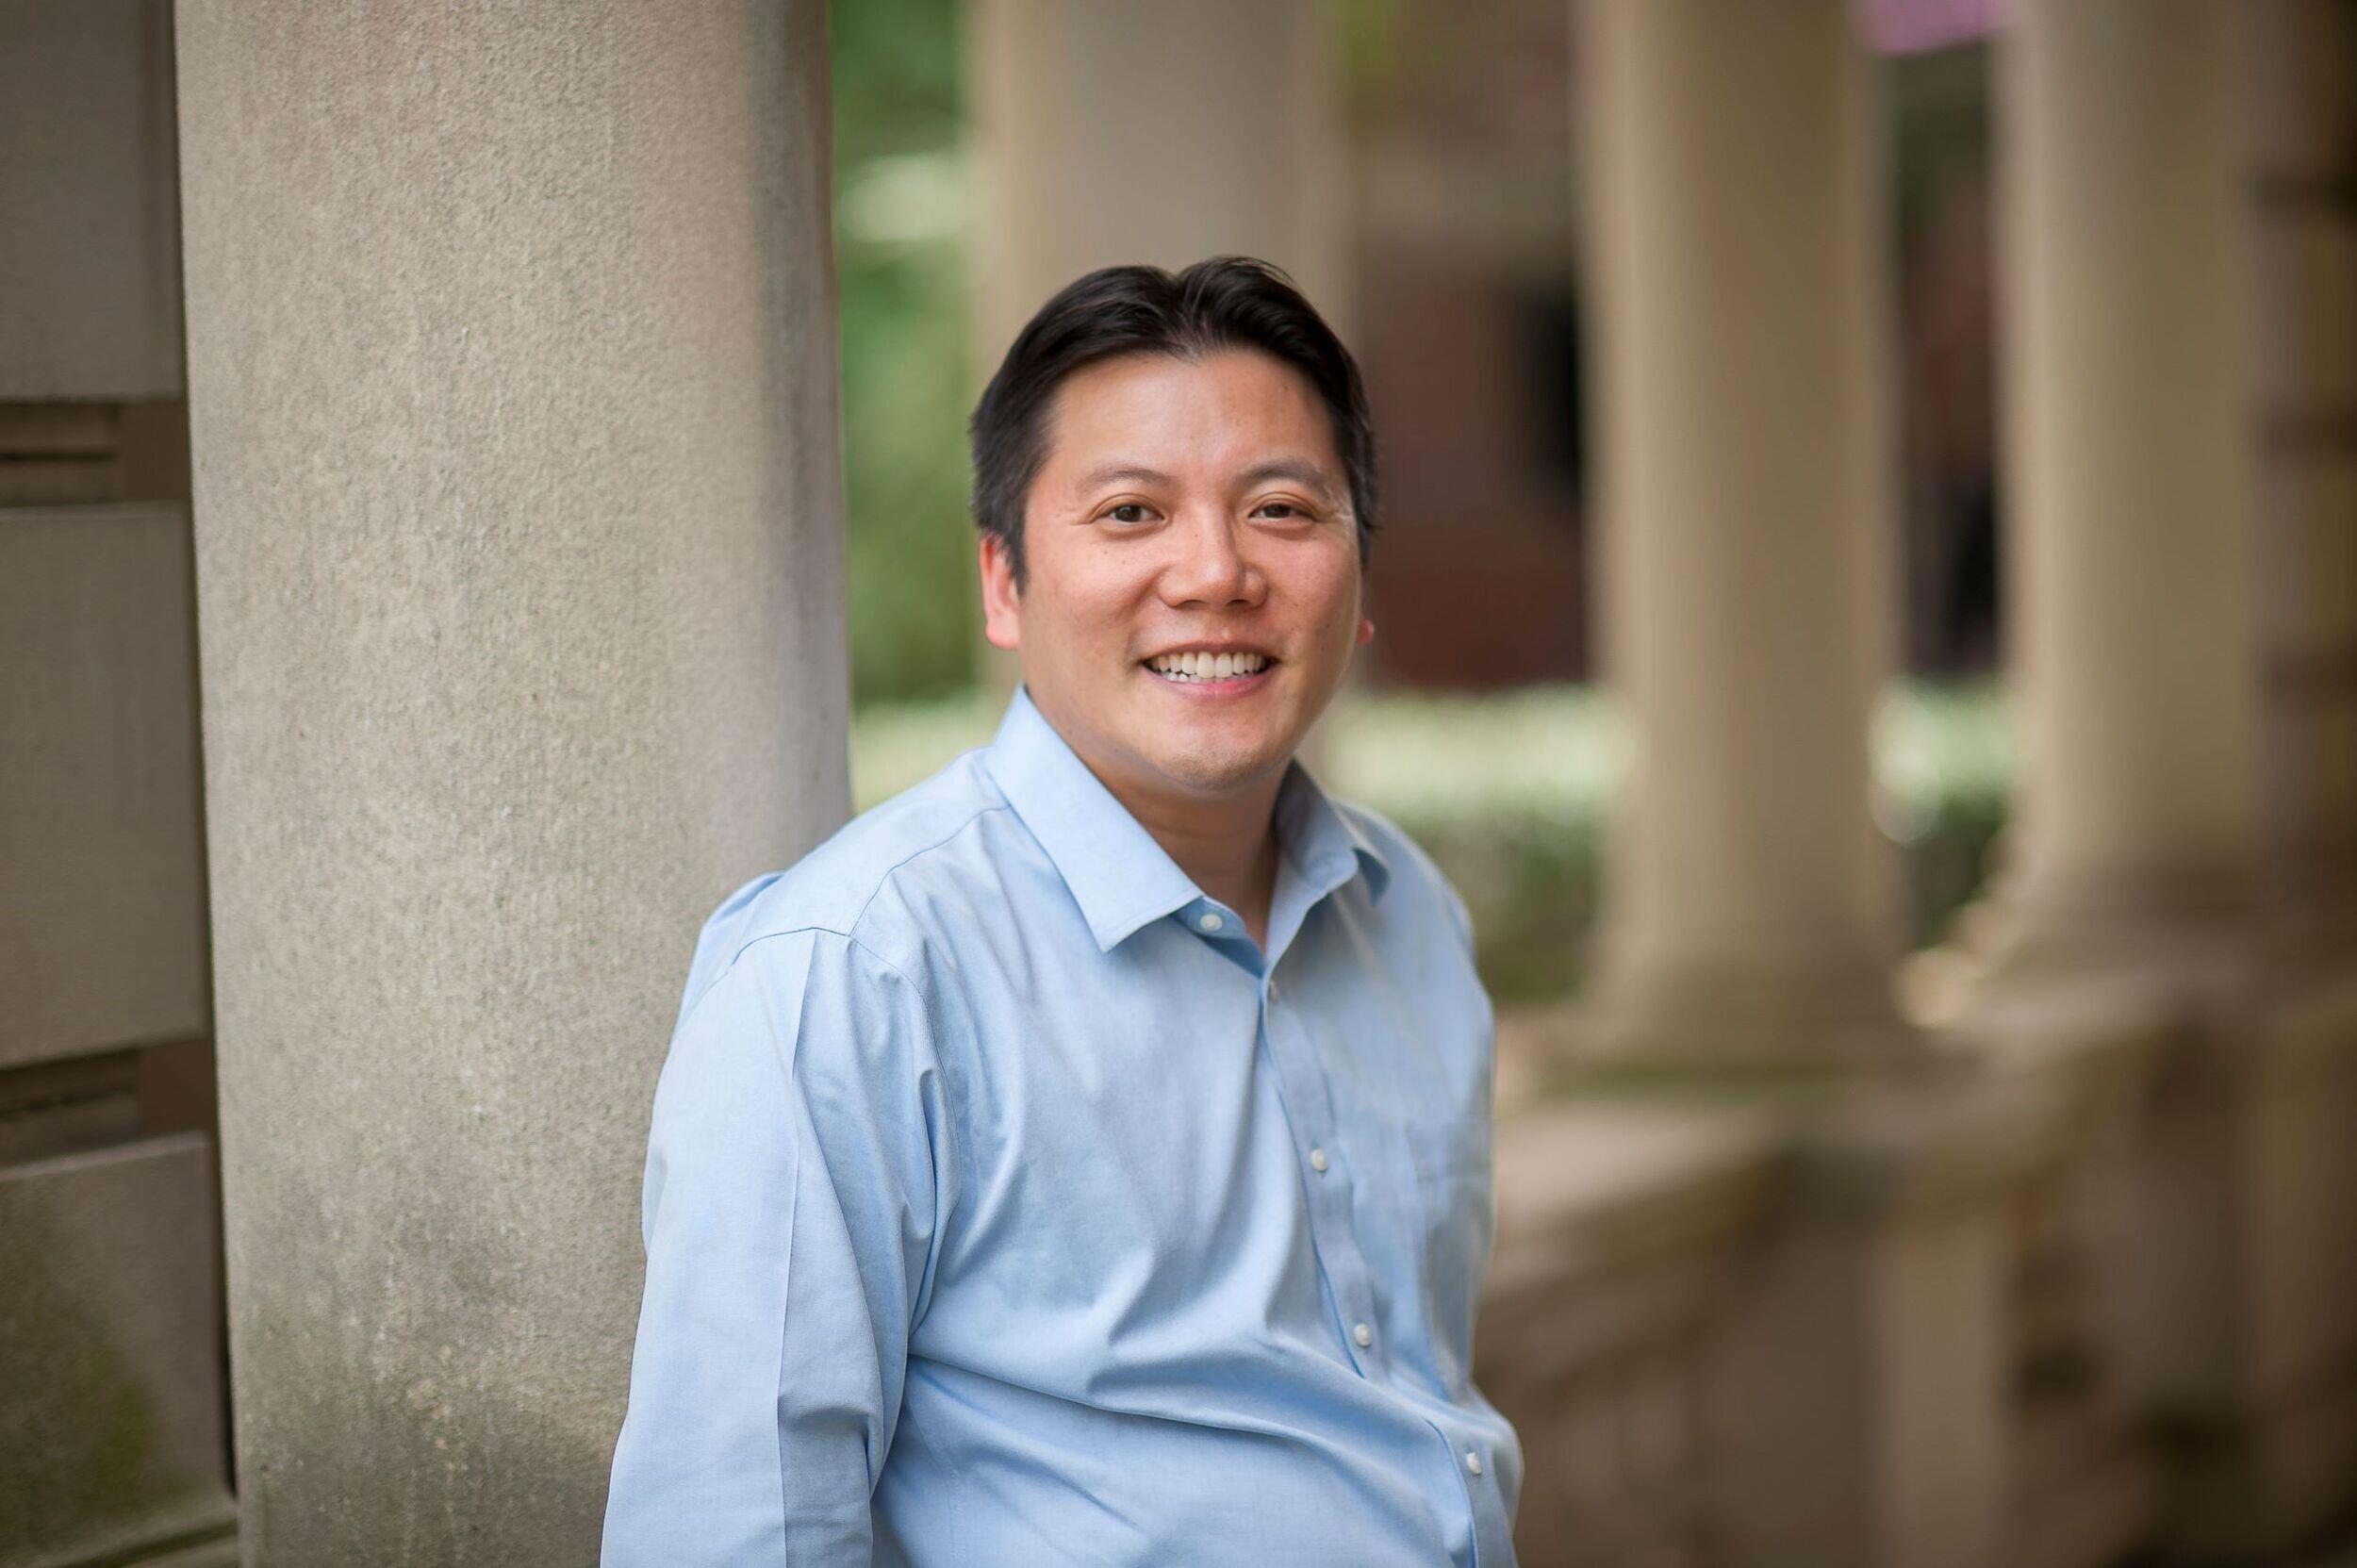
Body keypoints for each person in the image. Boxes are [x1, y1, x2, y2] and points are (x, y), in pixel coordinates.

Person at [602, 256, 1521, 1566]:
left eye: (1280, 508)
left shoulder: (1409, 919)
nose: (1216, 572)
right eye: (1133, 512)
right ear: (1002, 582)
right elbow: (735, 1531)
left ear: (1359, 579)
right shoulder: (853, 973)